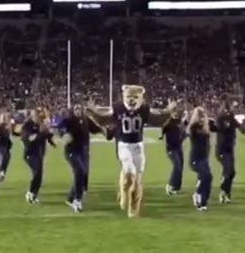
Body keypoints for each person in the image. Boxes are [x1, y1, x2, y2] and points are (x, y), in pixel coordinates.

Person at [87, 85, 176, 218]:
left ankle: (134, 207)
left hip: (138, 147)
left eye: (135, 97)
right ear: (124, 97)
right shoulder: (118, 108)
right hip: (124, 145)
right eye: (129, 97)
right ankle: (123, 193)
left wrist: (169, 111)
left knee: (137, 181)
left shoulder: (144, 109)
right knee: (129, 173)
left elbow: (158, 120)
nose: (132, 100)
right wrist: (93, 112)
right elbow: (104, 119)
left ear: (141, 98)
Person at [21, 107, 56, 204]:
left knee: (39, 175)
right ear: (33, 115)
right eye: (37, 115)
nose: (39, 117)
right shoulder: (27, 125)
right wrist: (41, 132)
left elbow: (47, 136)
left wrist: (52, 140)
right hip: (30, 154)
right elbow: (28, 139)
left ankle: (33, 194)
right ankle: (30, 193)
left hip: (39, 153)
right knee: (37, 173)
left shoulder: (41, 125)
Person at [214, 102, 245, 203]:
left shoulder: (232, 119)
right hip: (222, 149)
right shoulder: (220, 119)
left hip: (229, 149)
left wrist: (244, 122)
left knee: (230, 173)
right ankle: (224, 190)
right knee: (230, 171)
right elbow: (221, 128)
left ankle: (226, 194)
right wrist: (230, 120)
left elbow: (243, 130)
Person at [187, 107, 213, 211]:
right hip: (195, 158)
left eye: (203, 115)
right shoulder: (193, 127)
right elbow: (188, 131)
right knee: (205, 176)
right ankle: (197, 194)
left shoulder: (206, 127)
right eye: (200, 115)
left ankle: (203, 202)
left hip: (204, 158)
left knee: (208, 178)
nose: (202, 117)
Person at [159, 111, 186, 195]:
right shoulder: (168, 123)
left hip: (178, 148)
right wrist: (161, 136)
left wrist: (182, 138)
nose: (176, 115)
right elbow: (163, 129)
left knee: (180, 167)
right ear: (171, 114)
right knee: (177, 166)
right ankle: (170, 185)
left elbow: (183, 133)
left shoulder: (180, 123)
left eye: (177, 114)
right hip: (171, 148)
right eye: (174, 113)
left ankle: (176, 187)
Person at [0, 111, 13, 181]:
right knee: (5, 156)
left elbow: (9, 137)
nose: (5, 119)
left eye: (5, 118)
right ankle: (1, 171)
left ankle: (2, 172)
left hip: (6, 145)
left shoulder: (7, 126)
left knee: (7, 157)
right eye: (4, 117)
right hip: (0, 144)